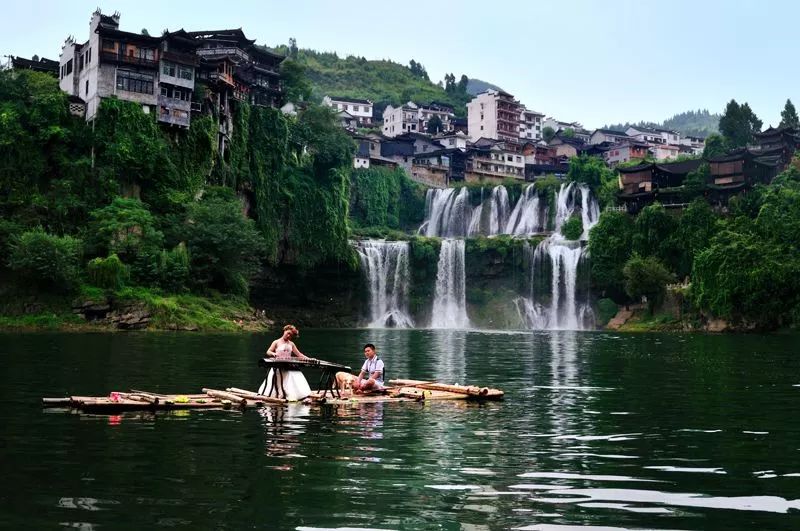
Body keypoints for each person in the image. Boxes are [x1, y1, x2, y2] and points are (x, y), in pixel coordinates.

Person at [258, 324, 314, 401]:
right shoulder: (276, 342)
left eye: (291, 335)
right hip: (278, 364)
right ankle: (279, 394)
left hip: (288, 364)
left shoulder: (291, 344)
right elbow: (268, 351)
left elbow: (299, 354)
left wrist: (309, 359)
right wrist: (273, 353)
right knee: (277, 376)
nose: (288, 336)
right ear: (284, 331)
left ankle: (292, 395)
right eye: (288, 333)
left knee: (295, 375)